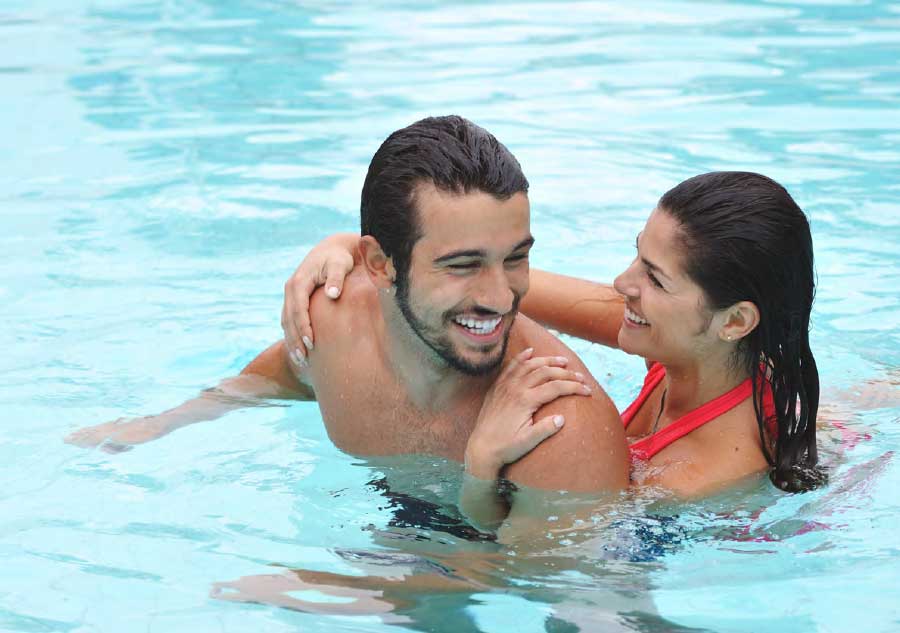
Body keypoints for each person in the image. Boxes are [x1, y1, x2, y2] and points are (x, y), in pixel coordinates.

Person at [65, 115, 630, 504]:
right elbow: (289, 370)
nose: (500, 297)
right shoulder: (335, 322)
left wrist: (341, 592)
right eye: (462, 265)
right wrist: (167, 422)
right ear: (380, 265)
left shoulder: (558, 428)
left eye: (515, 258)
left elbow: (547, 583)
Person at [283, 171, 826, 500]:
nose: (622, 285)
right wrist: (358, 251)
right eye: (638, 253)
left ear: (734, 322)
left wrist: (481, 467)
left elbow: (532, 565)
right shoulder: (694, 343)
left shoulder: (701, 474)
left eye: (654, 278)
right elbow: (471, 279)